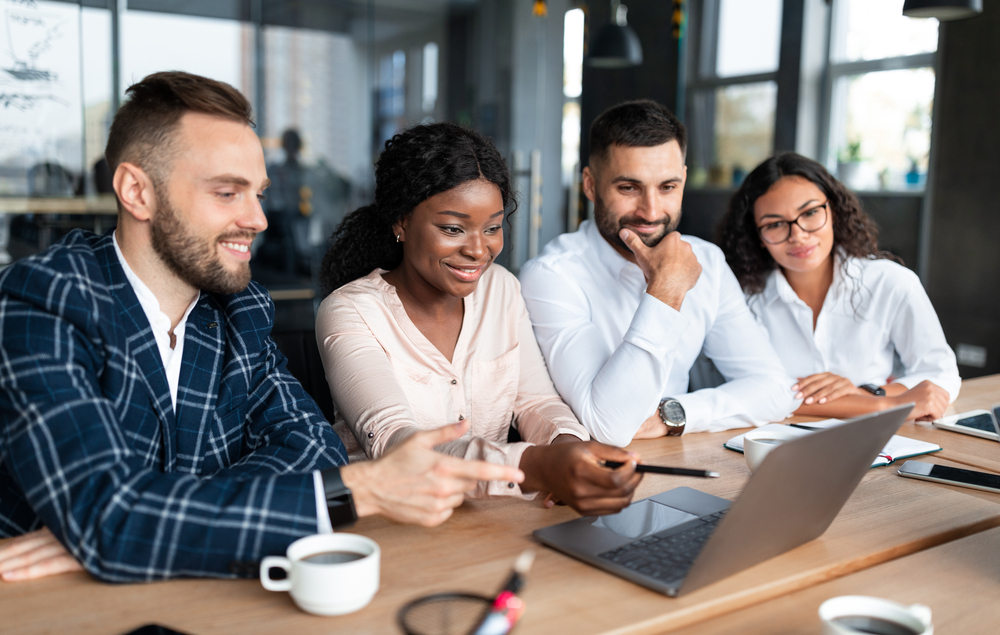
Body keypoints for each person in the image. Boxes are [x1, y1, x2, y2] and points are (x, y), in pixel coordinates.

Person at [0, 72, 522, 583]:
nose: (258, 220)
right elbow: (108, 516)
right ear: (137, 192)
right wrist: (122, 522)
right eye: (228, 193)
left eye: (259, 194)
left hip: (197, 594)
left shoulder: (239, 309)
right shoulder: (41, 301)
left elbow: (316, 450)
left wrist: (146, 521)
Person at [316, 122, 642, 515]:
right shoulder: (350, 311)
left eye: (492, 228)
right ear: (401, 221)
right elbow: (395, 443)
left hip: (487, 520)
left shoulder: (501, 289)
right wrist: (537, 466)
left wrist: (571, 451)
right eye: (453, 228)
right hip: (389, 526)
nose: (478, 250)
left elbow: (536, 401)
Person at [518, 100, 798, 447]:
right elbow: (609, 426)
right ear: (590, 185)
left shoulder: (707, 261)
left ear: (683, 180)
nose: (650, 211)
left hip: (675, 455)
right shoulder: (550, 276)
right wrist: (666, 290)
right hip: (594, 466)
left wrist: (674, 414)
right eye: (628, 188)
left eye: (667, 187)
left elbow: (775, 388)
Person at [717, 152, 959, 419]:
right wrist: (883, 403)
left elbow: (941, 375)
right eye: (774, 224)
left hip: (876, 436)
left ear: (833, 211)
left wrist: (865, 392)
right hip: (773, 439)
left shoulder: (890, 282)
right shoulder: (742, 298)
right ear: (757, 236)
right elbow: (749, 394)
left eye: (810, 212)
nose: (798, 235)